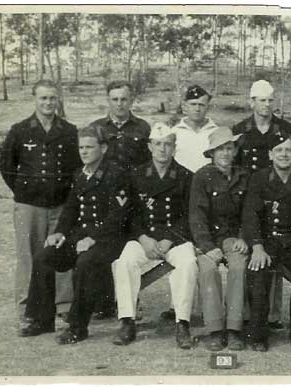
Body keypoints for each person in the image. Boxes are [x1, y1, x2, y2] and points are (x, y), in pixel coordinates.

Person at [18, 126, 132, 343]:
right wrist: (59, 232)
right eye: (81, 147)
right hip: (81, 237)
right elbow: (71, 208)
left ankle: (77, 326)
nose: (84, 152)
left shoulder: (116, 174)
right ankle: (42, 320)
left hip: (109, 239)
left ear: (104, 148)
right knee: (44, 257)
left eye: (90, 147)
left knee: (86, 263)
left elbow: (119, 216)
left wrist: (93, 238)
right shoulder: (80, 174)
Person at [0, 79, 81, 323]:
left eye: (52, 98)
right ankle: (27, 307)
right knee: (28, 255)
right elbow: (7, 166)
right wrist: (26, 192)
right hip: (29, 205)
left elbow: (76, 167)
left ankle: (64, 305)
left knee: (62, 252)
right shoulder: (20, 130)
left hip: (61, 204)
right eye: (43, 98)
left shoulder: (69, 131)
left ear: (58, 100)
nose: (48, 103)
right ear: (34, 99)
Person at [112, 122, 198, 349]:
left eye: (168, 144)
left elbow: (189, 215)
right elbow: (129, 214)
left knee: (188, 263)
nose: (163, 149)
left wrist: (170, 238)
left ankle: (182, 323)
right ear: (150, 146)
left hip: (175, 238)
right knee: (125, 262)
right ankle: (127, 320)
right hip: (145, 238)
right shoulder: (136, 174)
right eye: (158, 144)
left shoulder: (186, 176)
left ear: (174, 147)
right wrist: (142, 237)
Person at [241, 131, 291, 354]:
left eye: (289, 150)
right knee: (257, 272)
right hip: (267, 241)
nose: (284, 154)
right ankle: (257, 335)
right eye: (279, 150)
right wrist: (257, 246)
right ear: (270, 154)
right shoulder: (259, 178)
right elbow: (251, 214)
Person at [232, 79, 291, 329]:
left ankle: (272, 314)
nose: (267, 104)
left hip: (278, 197)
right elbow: (235, 166)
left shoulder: (286, 127)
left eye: (271, 100)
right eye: (262, 100)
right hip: (247, 197)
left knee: (274, 249)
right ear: (252, 102)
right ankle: (249, 313)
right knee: (251, 253)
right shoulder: (240, 129)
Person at [87, 80, 151, 319]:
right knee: (104, 246)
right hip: (104, 198)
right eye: (115, 99)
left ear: (131, 100)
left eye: (124, 99)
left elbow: (147, 164)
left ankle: (132, 302)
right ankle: (104, 303)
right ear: (108, 101)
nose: (119, 104)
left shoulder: (143, 128)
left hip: (133, 199)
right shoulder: (96, 128)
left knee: (129, 252)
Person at [189, 127, 250, 351]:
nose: (225, 153)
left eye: (229, 148)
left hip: (234, 238)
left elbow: (250, 212)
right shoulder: (202, 176)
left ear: (235, 151)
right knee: (207, 269)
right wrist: (206, 246)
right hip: (208, 239)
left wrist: (244, 237)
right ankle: (215, 329)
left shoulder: (244, 176)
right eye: (220, 149)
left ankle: (234, 329)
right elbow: (197, 216)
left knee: (239, 267)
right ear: (212, 153)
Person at [172, 85, 219, 173]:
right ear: (185, 106)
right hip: (182, 183)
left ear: (207, 108)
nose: (197, 109)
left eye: (201, 105)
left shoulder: (216, 132)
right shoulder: (174, 132)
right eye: (193, 104)